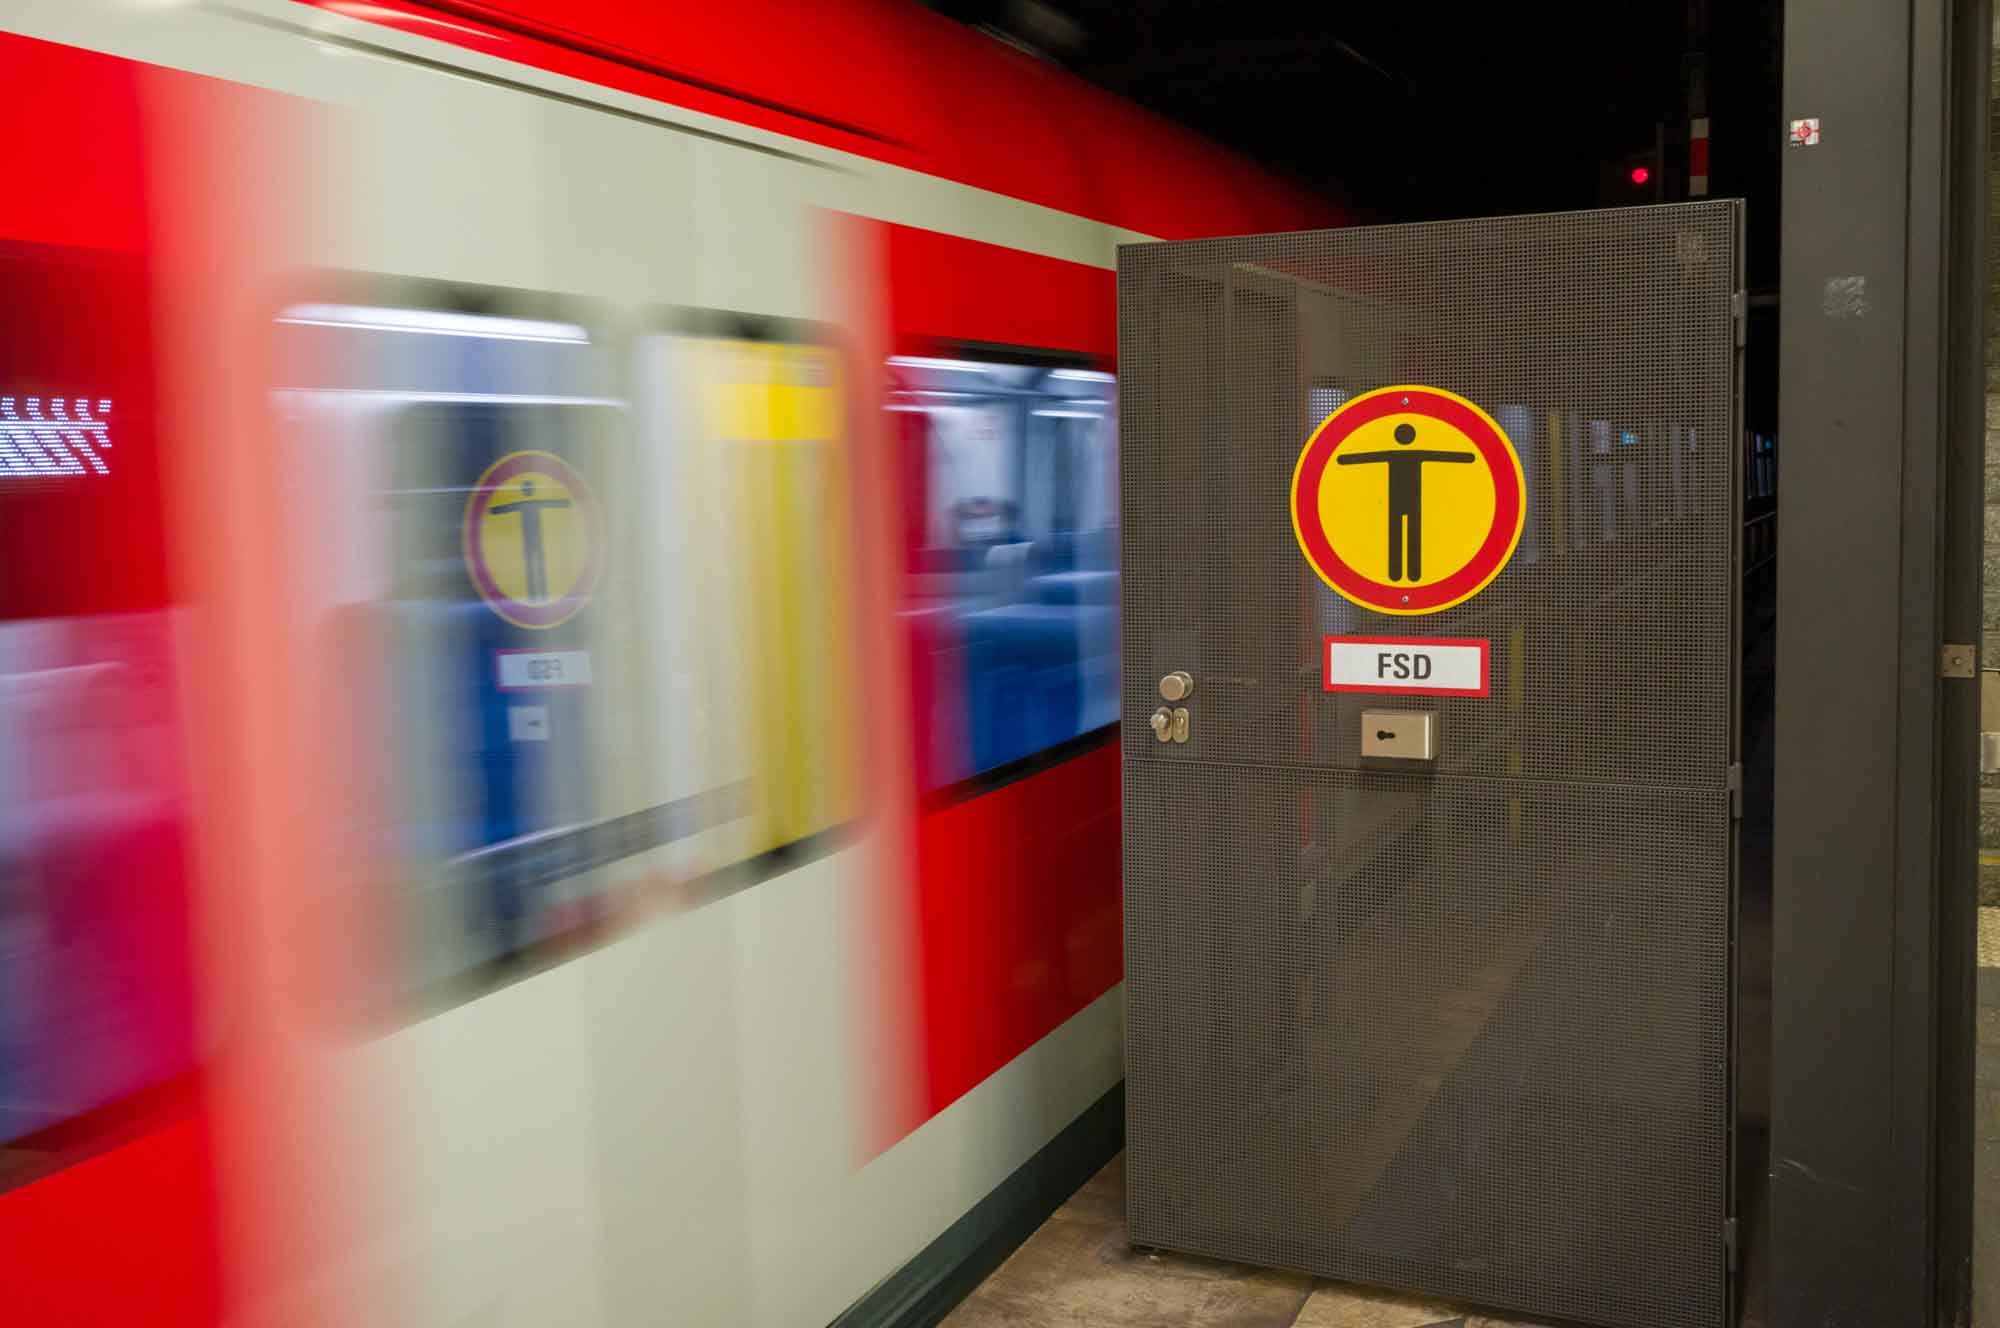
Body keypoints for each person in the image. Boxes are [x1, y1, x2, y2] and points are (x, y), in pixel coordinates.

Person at [1334, 422, 1474, 581]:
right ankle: (1411, 574)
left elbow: (1362, 457)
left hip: (1398, 502)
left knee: (1399, 535)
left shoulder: (1393, 454)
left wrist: (1341, 459)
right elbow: (1445, 456)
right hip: (1412, 502)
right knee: (1411, 535)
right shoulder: (1416, 454)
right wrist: (1469, 457)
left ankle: (1398, 573)